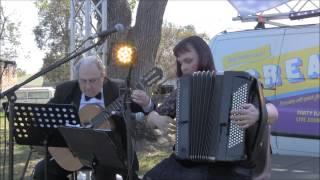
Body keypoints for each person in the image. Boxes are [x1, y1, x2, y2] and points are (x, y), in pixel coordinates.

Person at [131, 36, 278, 180]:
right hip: (187, 162)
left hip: (229, 164)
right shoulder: (183, 90)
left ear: (204, 57)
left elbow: (273, 111)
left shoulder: (235, 85)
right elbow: (152, 118)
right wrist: (155, 117)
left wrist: (258, 114)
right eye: (180, 63)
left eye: (188, 61)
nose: (184, 67)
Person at [33, 55, 143, 180]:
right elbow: (46, 116)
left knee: (105, 174)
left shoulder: (118, 89)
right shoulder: (65, 90)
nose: (87, 86)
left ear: (103, 76)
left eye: (92, 80)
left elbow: (140, 109)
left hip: (109, 154)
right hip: (73, 153)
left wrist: (146, 103)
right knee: (43, 172)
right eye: (83, 81)